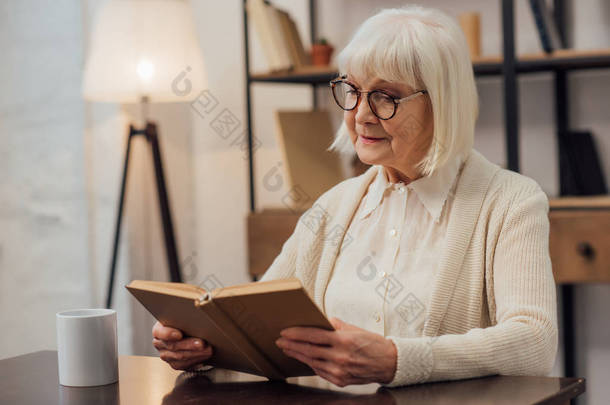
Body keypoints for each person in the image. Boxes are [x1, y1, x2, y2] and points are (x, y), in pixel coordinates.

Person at [153, 5, 558, 388]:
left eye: (385, 96)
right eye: (352, 89)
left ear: (442, 103)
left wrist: (399, 360)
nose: (360, 114)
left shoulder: (511, 202)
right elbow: (256, 324)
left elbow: (534, 343)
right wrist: (199, 345)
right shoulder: (334, 207)